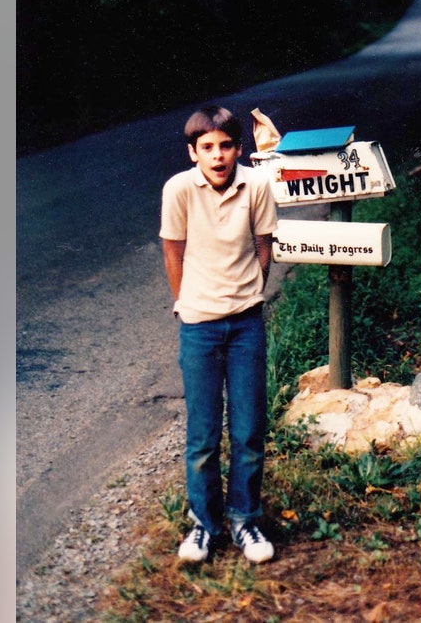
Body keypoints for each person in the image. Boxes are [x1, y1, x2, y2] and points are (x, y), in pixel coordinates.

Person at [159, 106, 278, 564]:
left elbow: (264, 245)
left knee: (248, 429)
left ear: (238, 149)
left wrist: (250, 292)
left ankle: (245, 520)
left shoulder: (258, 185)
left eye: (225, 145)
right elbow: (174, 250)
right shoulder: (178, 190)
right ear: (193, 153)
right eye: (206, 147)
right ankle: (204, 525)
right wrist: (184, 301)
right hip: (199, 326)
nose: (217, 155)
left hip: (245, 322)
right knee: (203, 434)